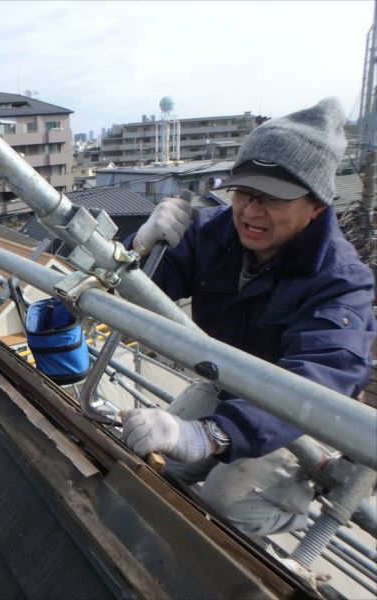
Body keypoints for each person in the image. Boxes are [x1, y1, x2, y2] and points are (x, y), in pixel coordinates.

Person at [121, 98, 375, 536]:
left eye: (273, 198)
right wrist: (139, 248)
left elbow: (316, 383)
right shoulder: (214, 232)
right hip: (228, 381)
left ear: (316, 205)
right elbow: (141, 297)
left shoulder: (341, 282)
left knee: (225, 506)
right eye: (245, 192)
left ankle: (293, 503)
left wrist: (206, 436)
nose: (251, 211)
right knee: (160, 468)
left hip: (297, 417)